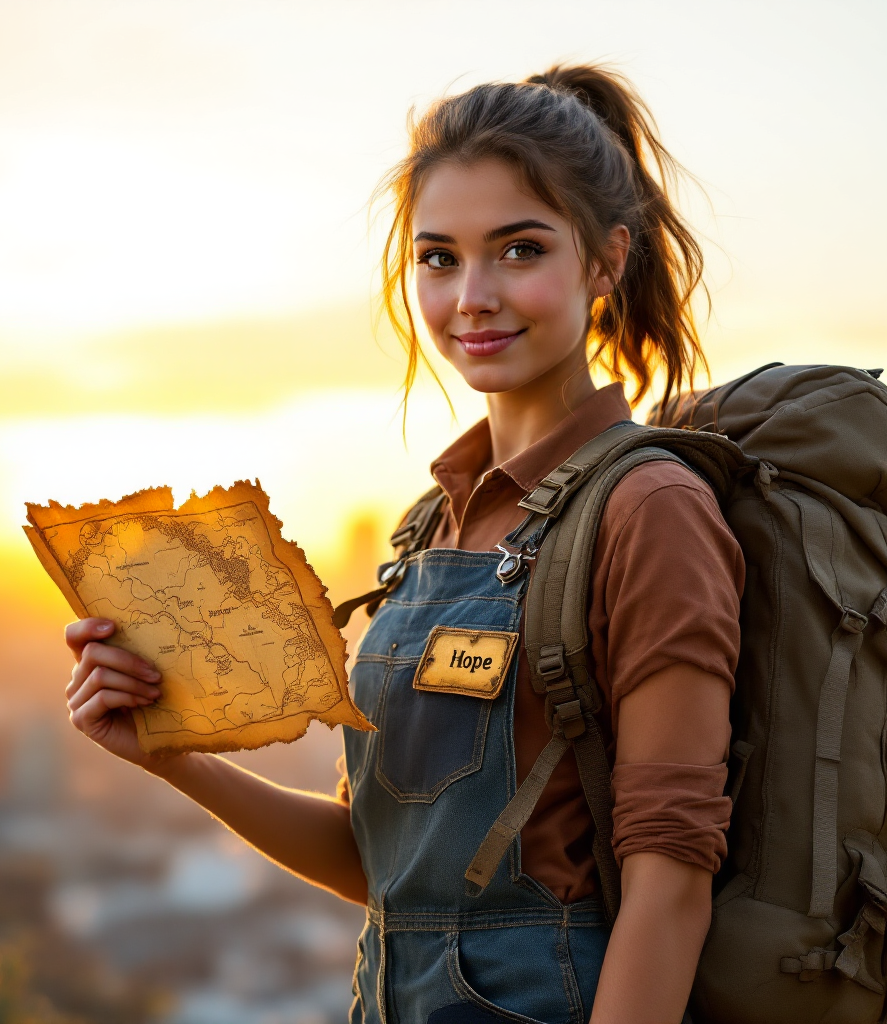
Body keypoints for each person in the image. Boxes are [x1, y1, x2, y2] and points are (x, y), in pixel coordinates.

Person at [62, 64, 743, 1024]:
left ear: (605, 260)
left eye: (518, 250)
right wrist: (172, 754)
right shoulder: (430, 528)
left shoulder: (649, 509)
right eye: (438, 257)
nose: (472, 296)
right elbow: (380, 866)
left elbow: (671, 886)